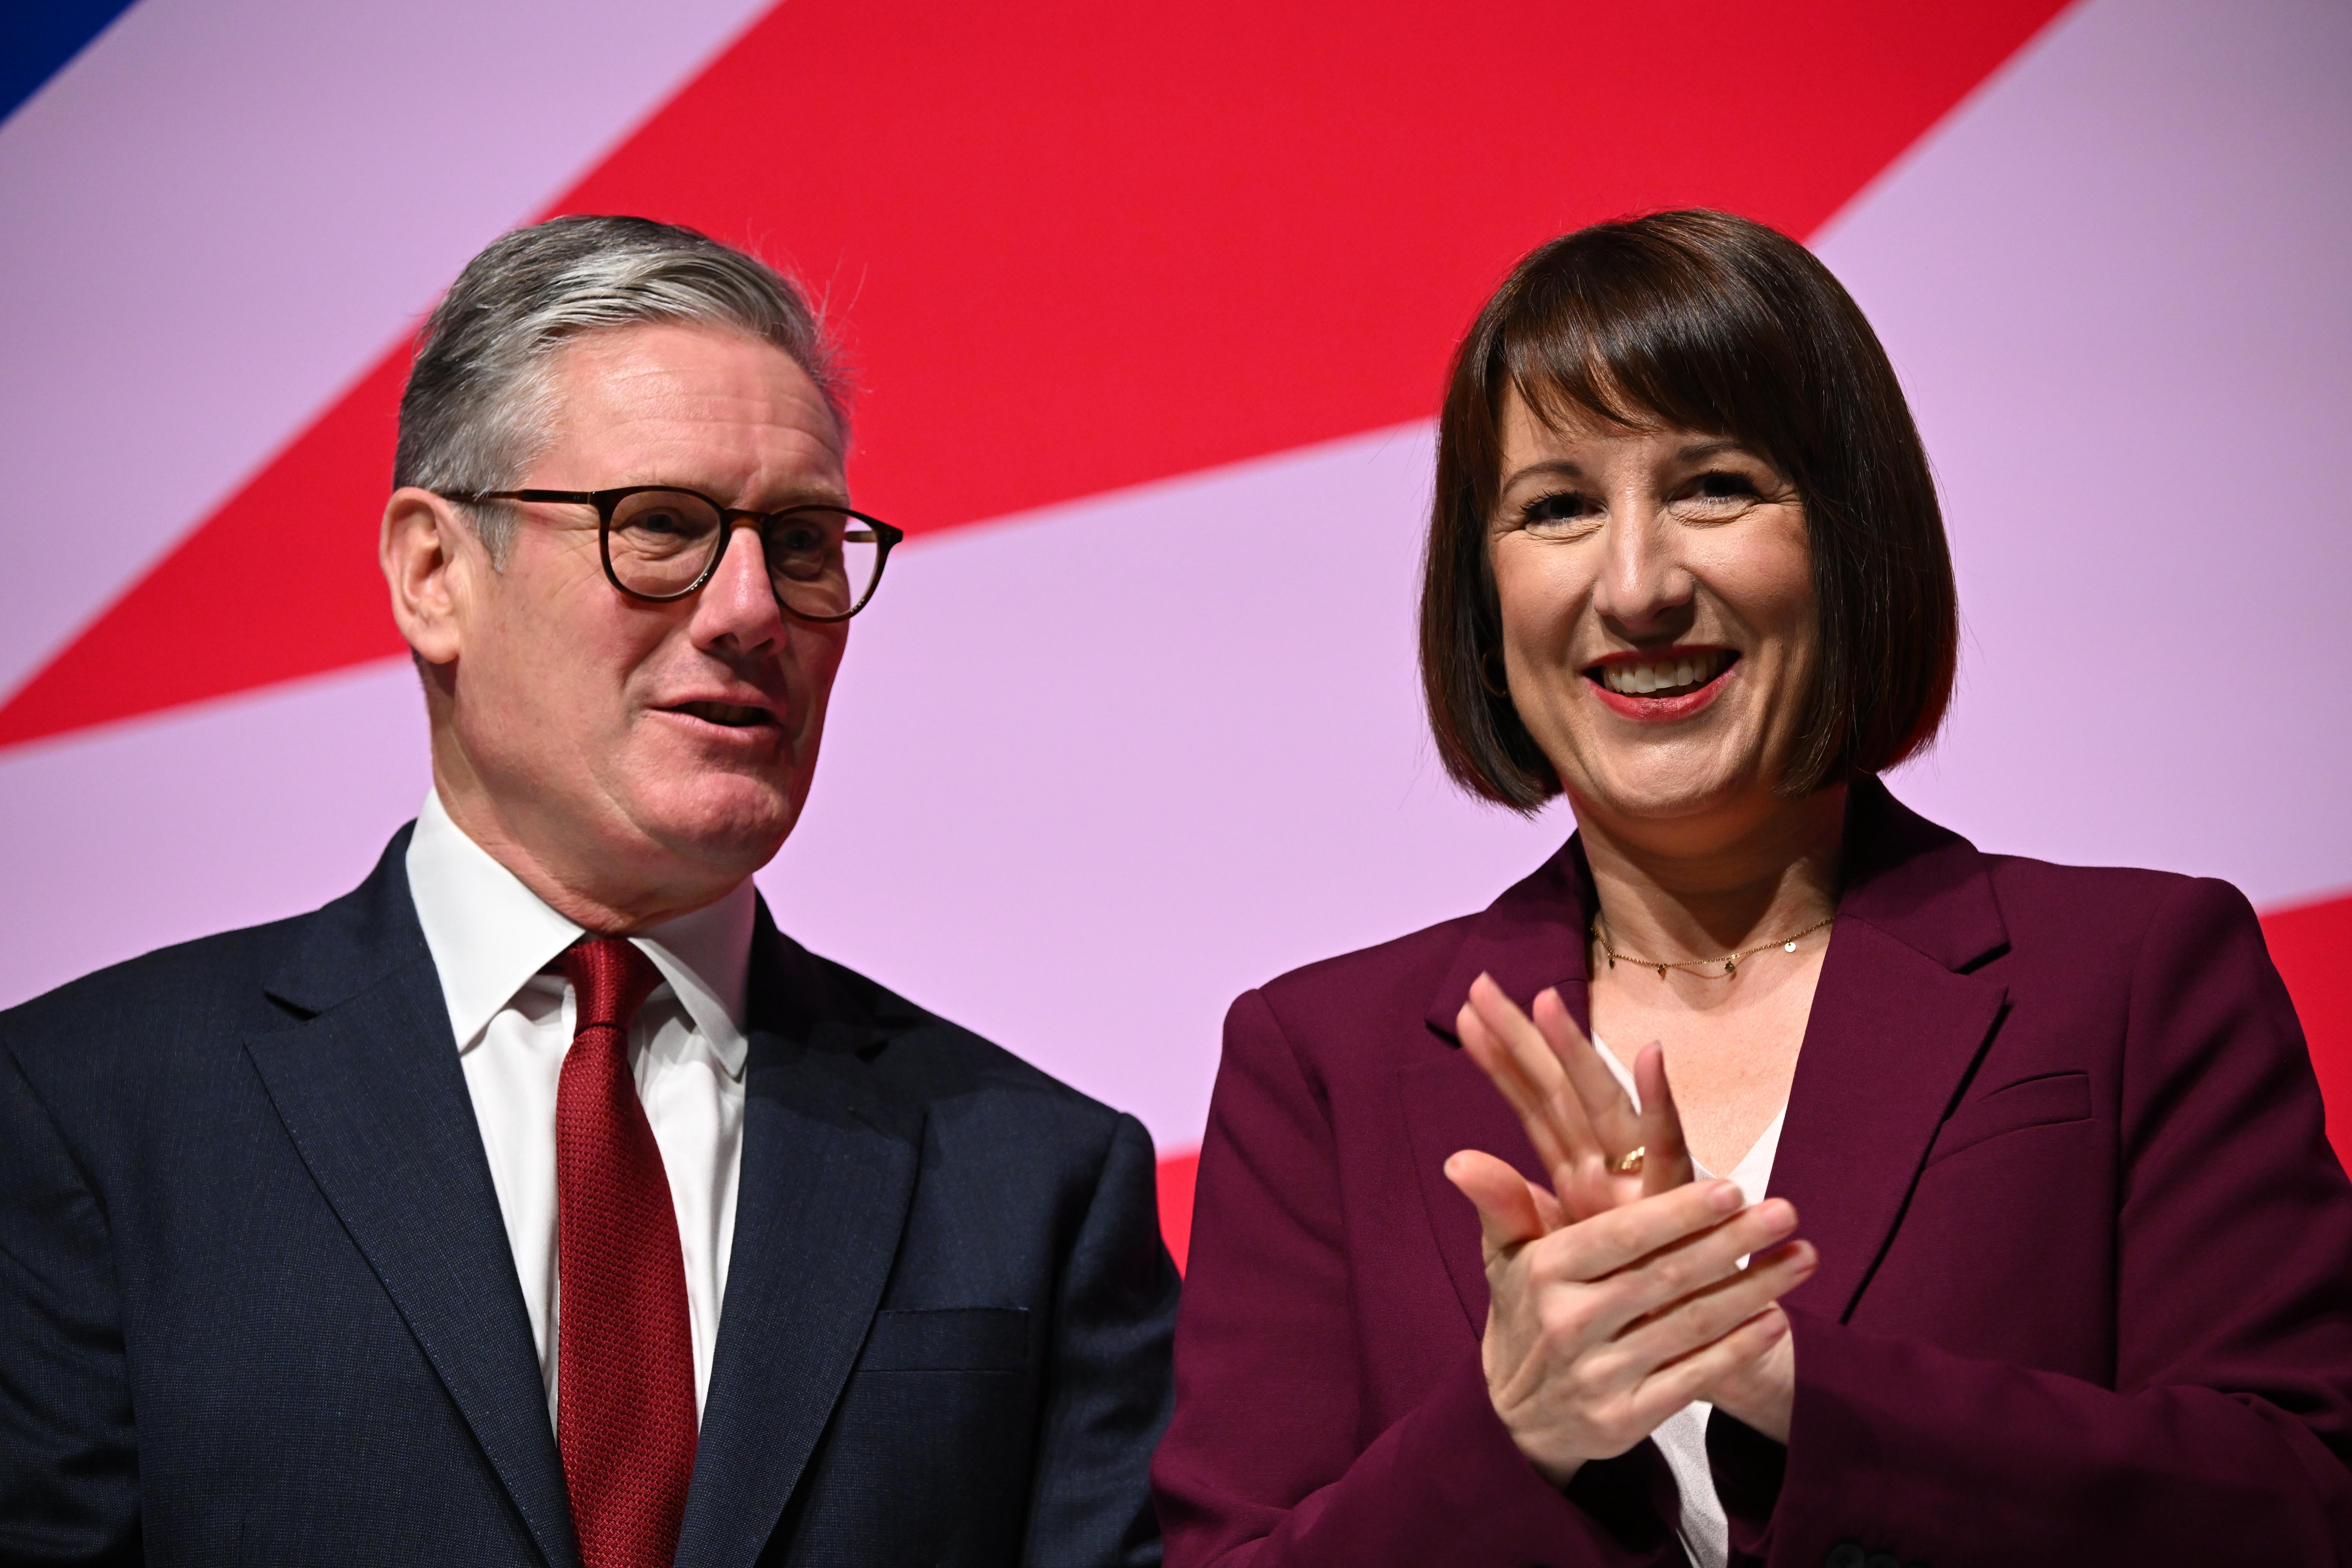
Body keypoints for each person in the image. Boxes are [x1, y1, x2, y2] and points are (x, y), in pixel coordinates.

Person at [1151, 210, 2352, 1565]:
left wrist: (1779, 1375)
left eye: (1714, 487)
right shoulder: (1323, 1060)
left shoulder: (2132, 972)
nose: (1639, 586)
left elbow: (2297, 1499)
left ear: (1852, 537)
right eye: (1556, 509)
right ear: (1481, 593)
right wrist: (1518, 1427)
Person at [0, 216, 1177, 1568]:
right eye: (660, 526)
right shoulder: (83, 1117)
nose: (752, 610)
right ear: (435, 575)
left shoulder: (1035, 1175)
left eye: (800, 542)